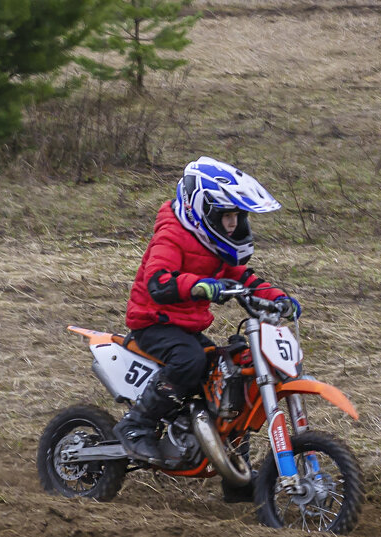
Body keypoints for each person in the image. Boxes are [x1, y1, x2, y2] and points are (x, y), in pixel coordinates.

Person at [114, 156, 298, 499]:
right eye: (226, 216)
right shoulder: (171, 235)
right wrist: (198, 286)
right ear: (202, 209)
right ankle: (136, 424)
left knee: (230, 380)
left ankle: (236, 478)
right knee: (190, 361)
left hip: (186, 326)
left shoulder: (212, 242)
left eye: (236, 217)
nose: (232, 225)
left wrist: (277, 297)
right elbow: (158, 281)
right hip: (154, 323)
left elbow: (239, 274)